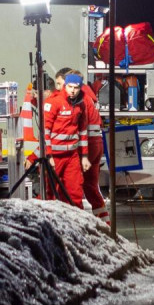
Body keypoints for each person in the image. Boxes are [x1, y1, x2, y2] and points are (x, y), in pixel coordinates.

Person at [57, 68, 110, 224]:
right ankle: (105, 224)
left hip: (85, 145)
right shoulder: (89, 96)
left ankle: (76, 224)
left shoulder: (79, 99)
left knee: (72, 187)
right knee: (91, 187)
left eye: (61, 84)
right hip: (96, 143)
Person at [43, 72, 91, 207]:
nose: (73, 90)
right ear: (65, 86)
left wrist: (85, 156)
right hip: (55, 156)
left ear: (80, 87)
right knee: (51, 193)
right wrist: (49, 155)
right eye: (70, 87)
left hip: (72, 156)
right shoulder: (54, 102)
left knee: (75, 192)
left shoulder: (81, 104)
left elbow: (82, 131)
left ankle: (77, 224)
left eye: (76, 87)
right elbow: (45, 131)